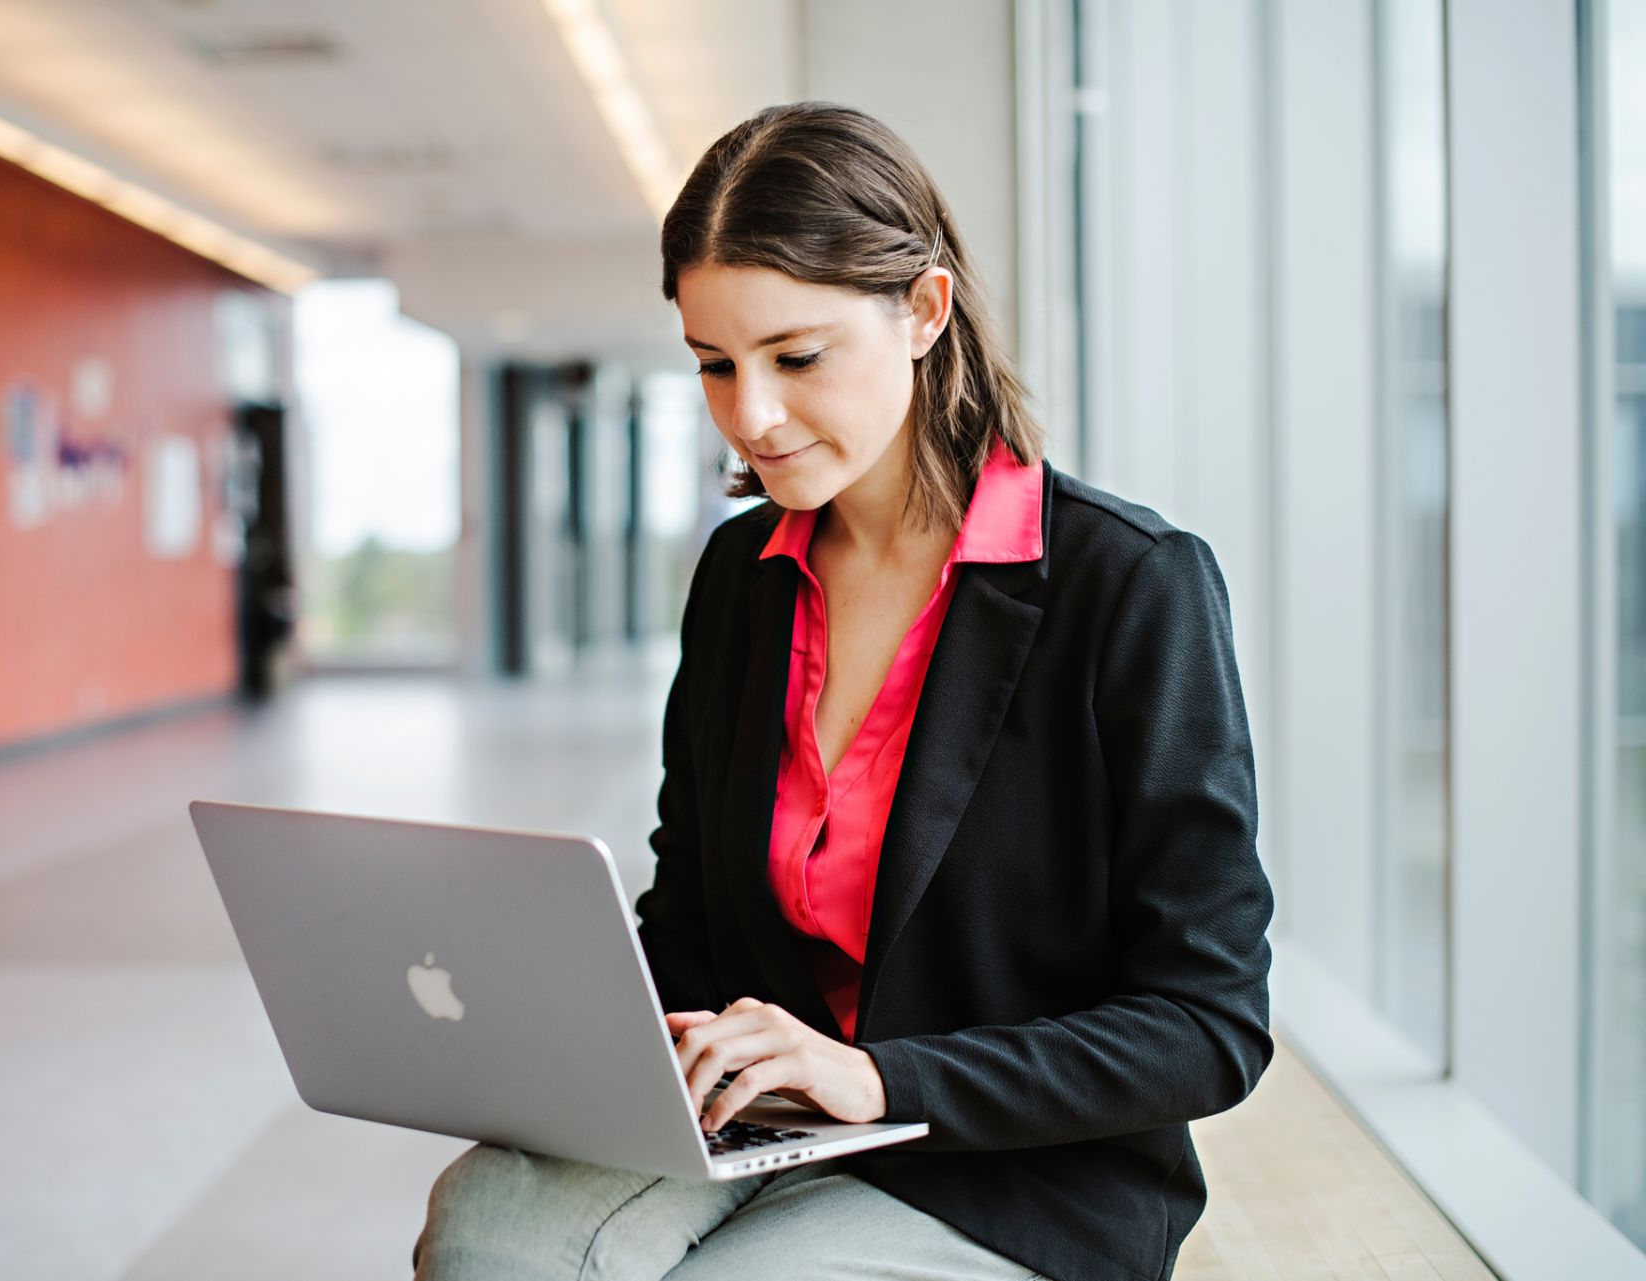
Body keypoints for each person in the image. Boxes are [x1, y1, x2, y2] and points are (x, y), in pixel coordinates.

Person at [413, 101, 1274, 1281]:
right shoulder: (742, 577)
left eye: (797, 357)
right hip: (771, 1120)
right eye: (715, 364)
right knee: (489, 1232)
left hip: (1014, 1162)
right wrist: (592, 1030)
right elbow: (697, 921)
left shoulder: (1129, 587)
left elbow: (1209, 1025)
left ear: (924, 312)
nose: (751, 416)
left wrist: (874, 1076)